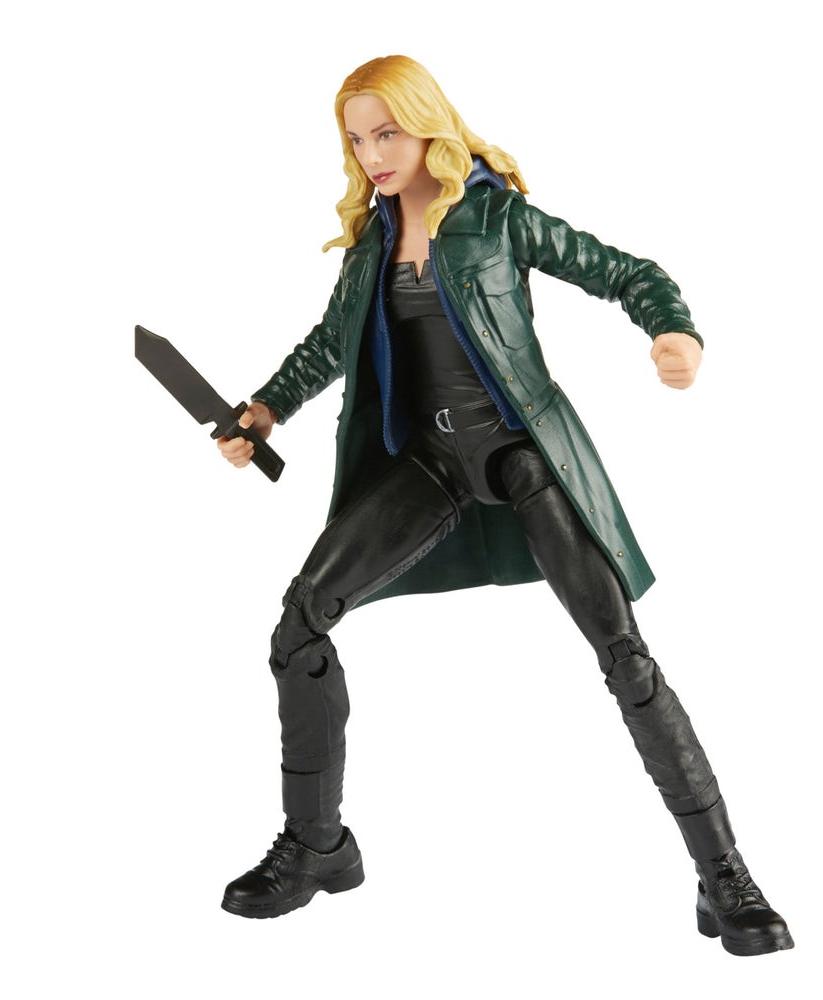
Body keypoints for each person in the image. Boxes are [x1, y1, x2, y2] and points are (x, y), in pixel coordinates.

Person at [216, 55, 792, 956]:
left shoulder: (495, 218)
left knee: (626, 658)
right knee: (299, 627)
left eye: (387, 133)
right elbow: (331, 341)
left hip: (523, 456)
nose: (373, 154)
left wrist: (672, 330)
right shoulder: (370, 245)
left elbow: (626, 271)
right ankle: (318, 845)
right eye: (358, 140)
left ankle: (725, 878)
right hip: (431, 464)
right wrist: (263, 410)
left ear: (426, 125)